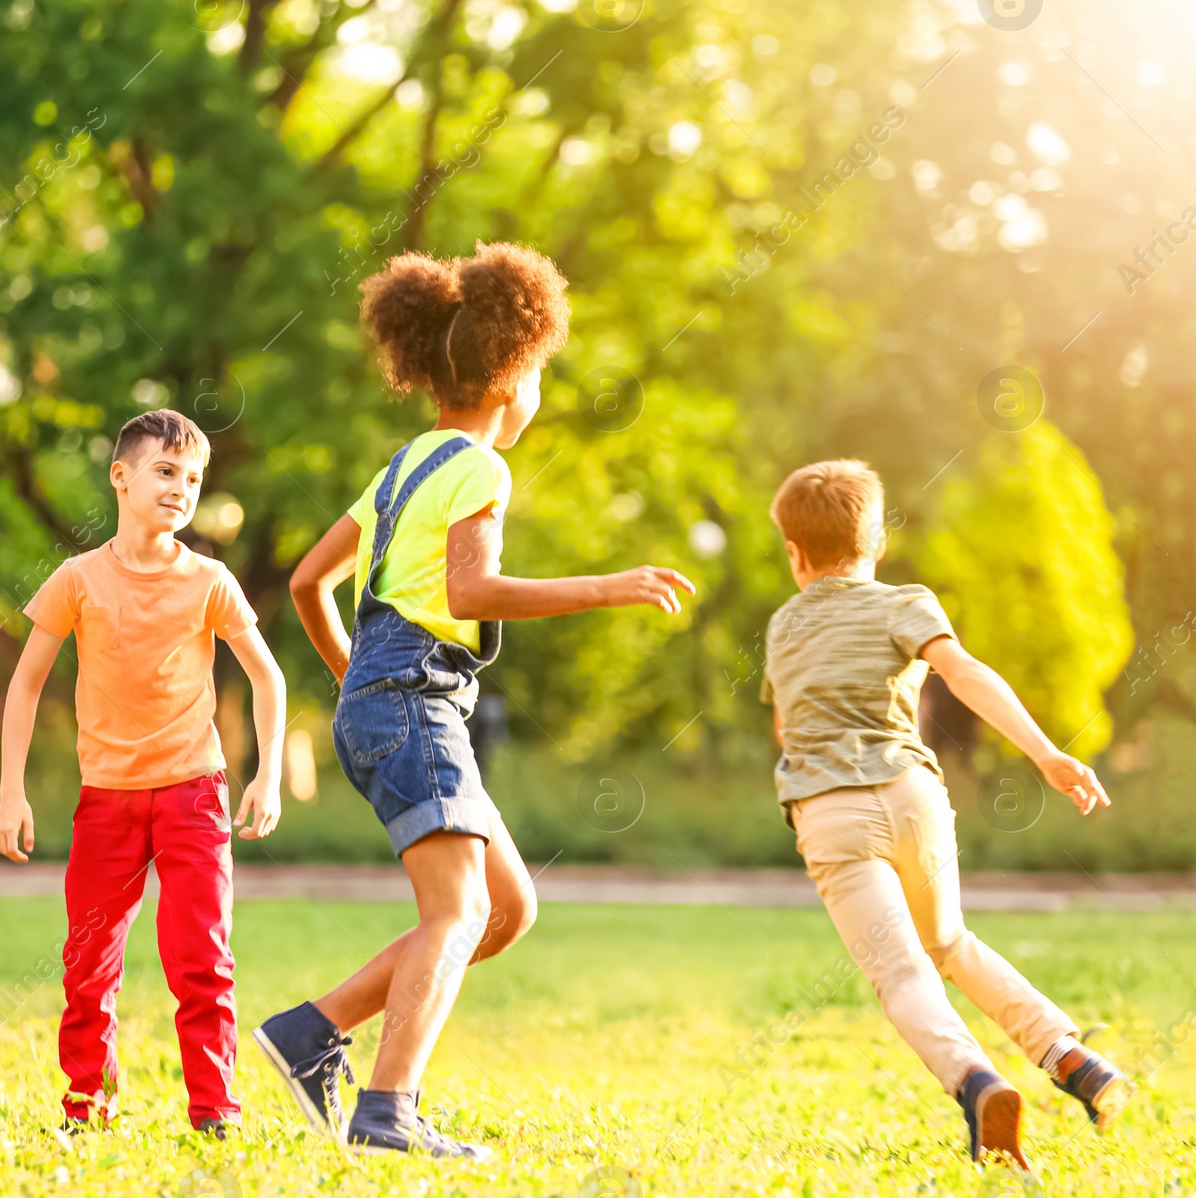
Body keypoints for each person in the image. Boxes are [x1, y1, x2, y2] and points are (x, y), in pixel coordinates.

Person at [253, 243, 695, 1159]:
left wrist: (354, 679)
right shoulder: (482, 469)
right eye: (537, 374)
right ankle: (386, 1112)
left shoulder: (406, 463)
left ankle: (311, 1031)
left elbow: (306, 582)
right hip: (415, 695)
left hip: (395, 696)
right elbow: (469, 594)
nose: (536, 392)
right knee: (454, 916)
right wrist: (605, 584)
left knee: (504, 907)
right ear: (509, 378)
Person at [761, 458, 1132, 1169]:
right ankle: (1075, 1060)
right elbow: (963, 673)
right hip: (913, 797)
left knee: (901, 974)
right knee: (951, 944)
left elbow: (787, 729)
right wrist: (1047, 754)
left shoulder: (782, 626)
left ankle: (976, 1081)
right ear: (874, 542)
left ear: (793, 552)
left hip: (832, 810)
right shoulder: (907, 601)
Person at [0, 408, 285, 1138]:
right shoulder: (77, 580)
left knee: (201, 958)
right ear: (120, 477)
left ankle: (214, 1111)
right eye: (164, 471)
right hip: (108, 803)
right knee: (88, 963)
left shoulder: (210, 580)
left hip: (194, 795)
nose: (179, 488)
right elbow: (25, 683)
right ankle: (88, 1103)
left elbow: (268, 677)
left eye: (192, 478)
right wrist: (11, 791)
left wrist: (266, 774)